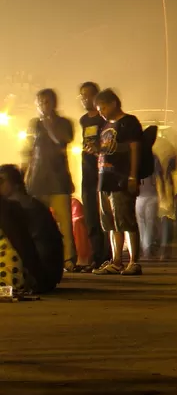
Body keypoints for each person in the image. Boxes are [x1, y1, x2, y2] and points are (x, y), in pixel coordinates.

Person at [22, 88, 77, 271]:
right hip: (37, 181)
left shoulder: (64, 123)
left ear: (54, 103)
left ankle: (68, 259)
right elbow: (28, 151)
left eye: (46, 102)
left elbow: (64, 140)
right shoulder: (34, 124)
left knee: (65, 223)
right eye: (40, 102)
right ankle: (41, 258)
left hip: (58, 180)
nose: (43, 106)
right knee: (38, 223)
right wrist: (23, 175)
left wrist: (49, 125)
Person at [93, 89, 143, 276]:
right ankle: (116, 261)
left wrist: (132, 176)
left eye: (103, 108)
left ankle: (134, 262)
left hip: (121, 178)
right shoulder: (106, 125)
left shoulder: (129, 122)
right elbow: (105, 149)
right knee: (110, 223)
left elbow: (135, 149)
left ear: (113, 103)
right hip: (104, 178)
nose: (101, 113)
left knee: (126, 221)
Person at [0, 164, 64, 293]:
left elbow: (23, 246)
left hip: (38, 275)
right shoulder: (26, 203)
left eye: (1, 181)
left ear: (16, 185)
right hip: (45, 274)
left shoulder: (14, 206)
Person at [78, 81, 107, 270]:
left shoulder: (104, 119)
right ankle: (96, 257)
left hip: (103, 172)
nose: (84, 99)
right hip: (87, 171)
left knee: (105, 215)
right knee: (90, 216)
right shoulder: (83, 120)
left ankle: (108, 257)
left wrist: (99, 149)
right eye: (82, 95)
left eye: (88, 95)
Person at [135, 154, 161, 258]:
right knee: (149, 222)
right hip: (151, 193)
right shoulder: (154, 157)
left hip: (139, 195)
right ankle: (147, 248)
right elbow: (159, 175)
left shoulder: (135, 156)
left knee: (141, 222)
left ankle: (145, 247)